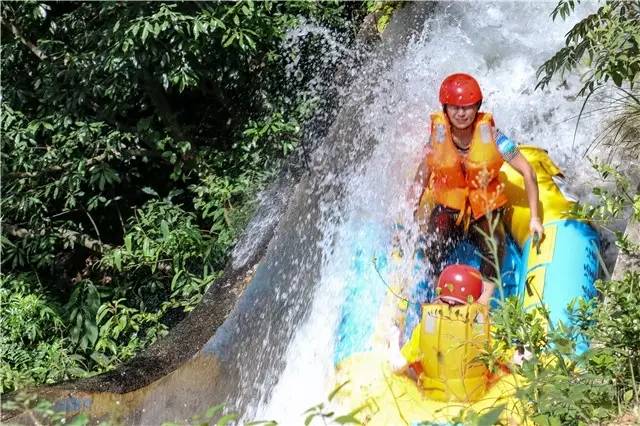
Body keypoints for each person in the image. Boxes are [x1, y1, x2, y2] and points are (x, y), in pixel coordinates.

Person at [408, 73, 544, 305]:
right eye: (455, 108)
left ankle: (484, 299)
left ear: (477, 107)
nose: (461, 114)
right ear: (446, 108)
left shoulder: (494, 137)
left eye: (468, 108)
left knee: (495, 240)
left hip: (483, 209)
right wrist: (410, 208)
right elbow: (422, 175)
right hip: (451, 208)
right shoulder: (437, 137)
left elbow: (528, 172)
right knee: (434, 239)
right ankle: (435, 295)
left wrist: (534, 218)